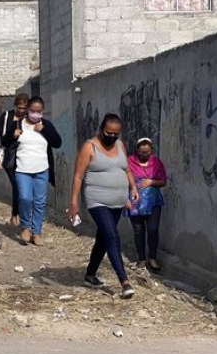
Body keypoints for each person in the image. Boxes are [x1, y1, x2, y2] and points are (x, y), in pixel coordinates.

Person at [67, 112, 139, 298]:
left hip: (118, 201)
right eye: (109, 133)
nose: (112, 137)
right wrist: (74, 202)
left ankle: (90, 275)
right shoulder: (89, 147)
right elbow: (78, 176)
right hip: (97, 201)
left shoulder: (120, 145)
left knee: (103, 238)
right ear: (101, 130)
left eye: (116, 133)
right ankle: (124, 281)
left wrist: (132, 187)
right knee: (113, 237)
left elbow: (126, 169)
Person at [2, 95, 62, 246]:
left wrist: (44, 130)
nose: (36, 113)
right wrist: (12, 135)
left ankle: (36, 232)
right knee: (25, 198)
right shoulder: (17, 125)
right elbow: (4, 142)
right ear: (27, 110)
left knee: (40, 202)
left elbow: (57, 143)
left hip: (42, 170)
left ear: (42, 111)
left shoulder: (45, 125)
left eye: (39, 111)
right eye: (33, 110)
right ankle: (26, 227)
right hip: (22, 170)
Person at [126, 137, 167, 273]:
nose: (145, 155)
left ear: (152, 151)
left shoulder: (156, 163)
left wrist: (151, 182)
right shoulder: (129, 162)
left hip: (153, 201)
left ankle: (153, 258)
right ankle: (142, 259)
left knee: (153, 229)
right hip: (135, 201)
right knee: (138, 230)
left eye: (147, 152)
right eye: (142, 152)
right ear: (137, 150)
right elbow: (122, 179)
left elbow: (163, 181)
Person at [0, 93, 29, 225]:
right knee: (17, 185)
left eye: (24, 108)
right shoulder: (7, 116)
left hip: (26, 158)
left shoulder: (29, 120)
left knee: (22, 188)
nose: (22, 111)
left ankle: (17, 214)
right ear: (15, 106)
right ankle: (15, 215)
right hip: (9, 158)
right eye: (19, 108)